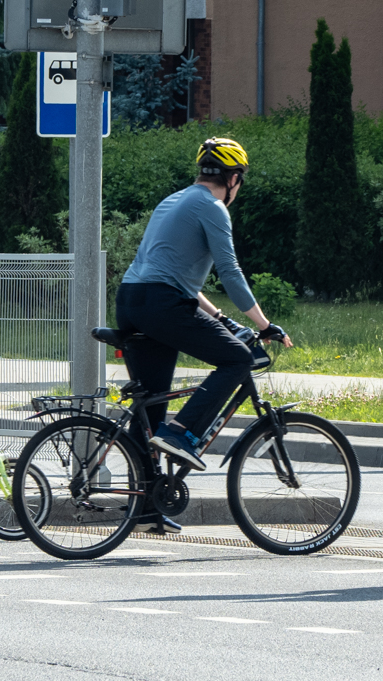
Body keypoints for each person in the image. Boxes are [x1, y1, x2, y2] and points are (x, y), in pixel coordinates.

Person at [115, 138, 293, 532]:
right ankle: (183, 434)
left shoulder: (172, 201)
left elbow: (172, 274)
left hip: (131, 300)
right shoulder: (212, 208)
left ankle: (143, 511)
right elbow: (229, 273)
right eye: (239, 182)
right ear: (233, 178)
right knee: (238, 359)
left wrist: (222, 319)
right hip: (162, 305)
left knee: (150, 408)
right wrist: (264, 325)